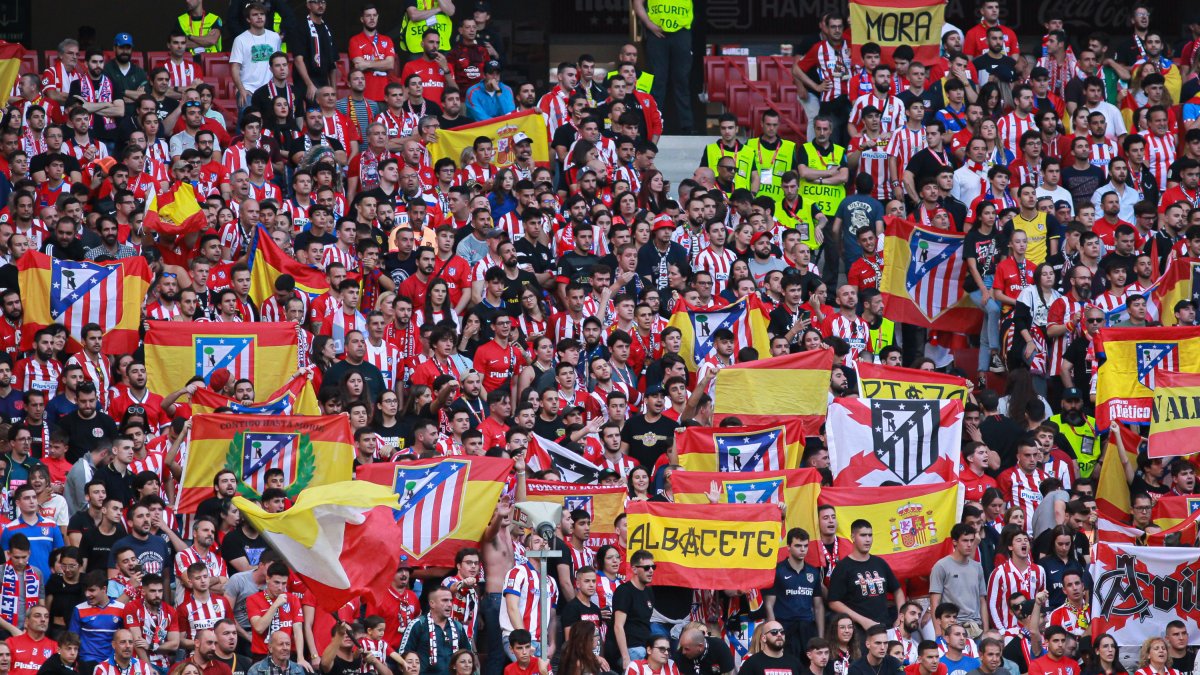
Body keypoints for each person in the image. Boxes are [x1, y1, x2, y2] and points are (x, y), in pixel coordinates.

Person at [827, 520, 903, 632]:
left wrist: (901, 616)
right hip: (859, 631)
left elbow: (898, 590)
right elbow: (833, 602)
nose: (868, 539)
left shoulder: (880, 563)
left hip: (885, 627)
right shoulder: (843, 567)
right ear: (853, 537)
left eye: (870, 535)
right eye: (863, 535)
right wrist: (862, 620)